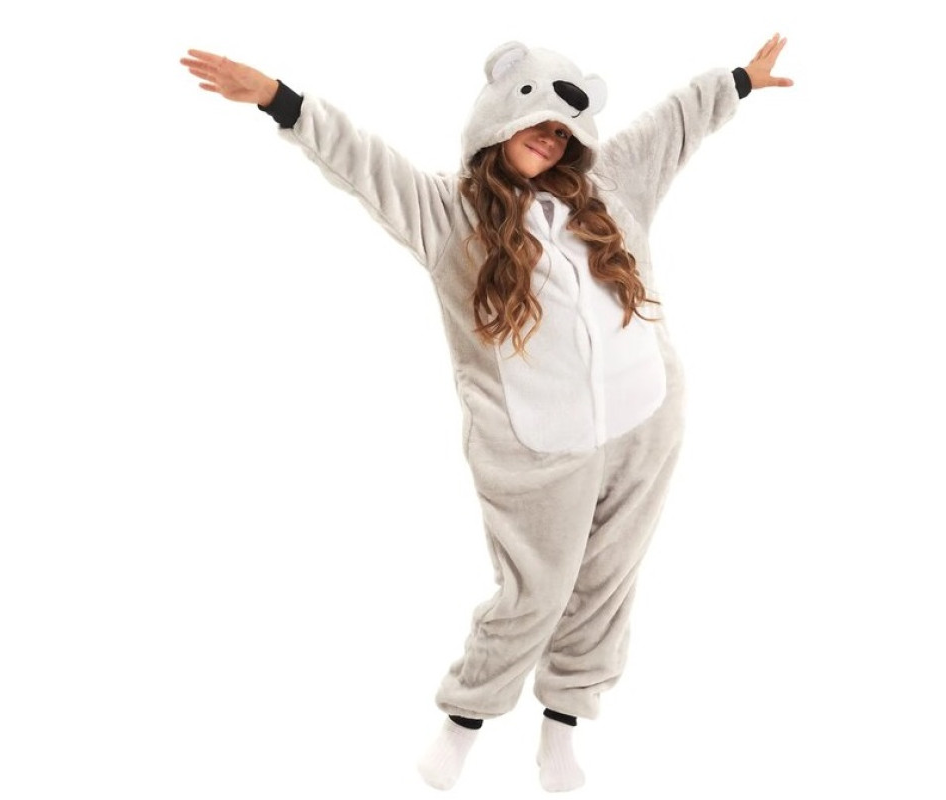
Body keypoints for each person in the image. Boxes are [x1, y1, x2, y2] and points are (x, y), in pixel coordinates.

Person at [180, 35, 792, 792]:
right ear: (500, 116)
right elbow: (363, 162)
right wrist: (280, 100)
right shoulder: (448, 213)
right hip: (538, 448)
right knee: (535, 593)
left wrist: (739, 81)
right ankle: (463, 721)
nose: (550, 138)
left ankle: (563, 725)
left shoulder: (609, 187)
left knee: (608, 583)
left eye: (563, 131)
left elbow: (675, 123)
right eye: (538, 122)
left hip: (646, 421)